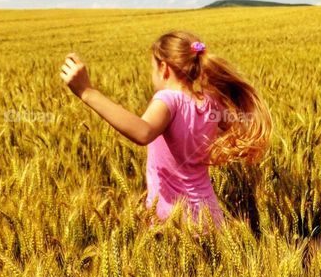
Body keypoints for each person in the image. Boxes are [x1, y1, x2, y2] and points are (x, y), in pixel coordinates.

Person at [60, 30, 272, 232]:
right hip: (209, 216)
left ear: (164, 68)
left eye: (152, 68)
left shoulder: (168, 100)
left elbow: (143, 132)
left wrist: (87, 92)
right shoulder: (210, 102)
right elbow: (233, 122)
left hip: (173, 221)